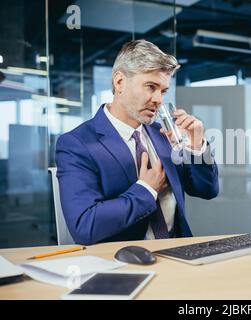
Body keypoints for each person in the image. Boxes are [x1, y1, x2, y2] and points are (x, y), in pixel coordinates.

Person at [55, 40, 219, 245]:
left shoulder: (164, 135)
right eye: (151, 87)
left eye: (163, 91)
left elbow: (206, 190)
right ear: (119, 82)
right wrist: (146, 190)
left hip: (180, 253)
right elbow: (85, 226)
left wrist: (196, 146)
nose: (158, 99)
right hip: (123, 264)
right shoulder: (77, 144)